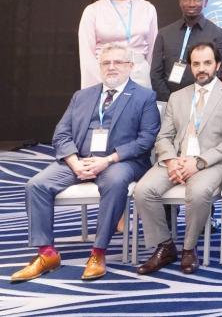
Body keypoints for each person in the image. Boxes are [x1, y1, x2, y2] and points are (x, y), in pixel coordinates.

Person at [13, 43, 160, 282]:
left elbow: (146, 140)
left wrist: (108, 160)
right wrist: (74, 162)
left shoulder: (145, 97)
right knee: (36, 185)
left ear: (131, 66)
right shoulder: (82, 96)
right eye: (106, 63)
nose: (111, 67)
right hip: (79, 159)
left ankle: (98, 253)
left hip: (120, 161)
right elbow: (61, 133)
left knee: (115, 183)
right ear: (100, 66)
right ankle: (47, 253)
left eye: (118, 62)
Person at [134, 42, 222, 275]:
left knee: (198, 191)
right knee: (143, 190)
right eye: (196, 64)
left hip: (213, 162)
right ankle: (165, 246)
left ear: (218, 65)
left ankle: (189, 248)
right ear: (190, 67)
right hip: (177, 159)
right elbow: (164, 137)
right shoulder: (177, 97)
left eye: (207, 63)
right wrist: (171, 160)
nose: (201, 68)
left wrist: (199, 162)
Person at [79, 0, 158, 89]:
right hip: (105, 74)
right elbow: (87, 54)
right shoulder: (93, 10)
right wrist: (97, 83)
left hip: (139, 74)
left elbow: (152, 50)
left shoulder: (148, 9)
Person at [149, 0, 222, 102]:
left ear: (206, 2)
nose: (191, 4)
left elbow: (219, 72)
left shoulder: (218, 34)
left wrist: (201, 98)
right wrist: (170, 100)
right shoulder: (164, 33)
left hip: (203, 100)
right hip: (168, 101)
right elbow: (156, 73)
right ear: (180, 1)